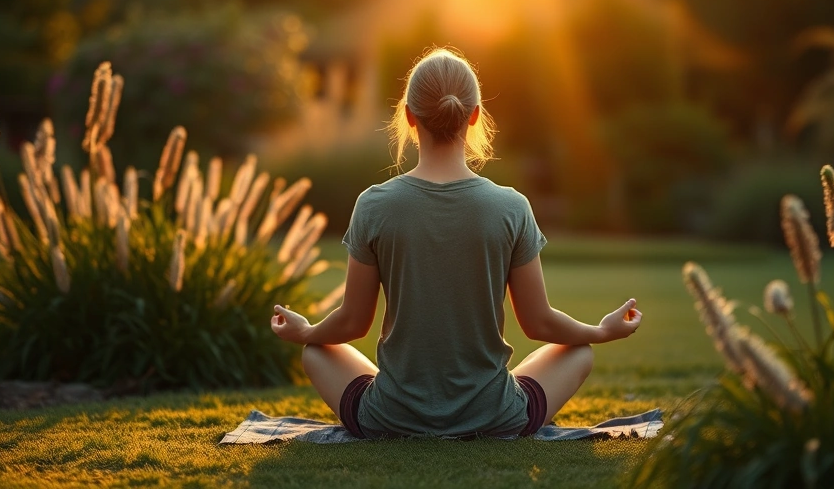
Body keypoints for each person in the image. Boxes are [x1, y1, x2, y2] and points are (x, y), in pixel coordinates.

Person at [271, 48, 642, 439]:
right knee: (579, 349)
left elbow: (352, 322)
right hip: (496, 417)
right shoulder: (511, 206)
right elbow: (538, 323)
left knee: (316, 352)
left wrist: (306, 332)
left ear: (410, 117)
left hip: (390, 417)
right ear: (476, 114)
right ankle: (489, 404)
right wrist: (601, 331)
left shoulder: (374, 204)